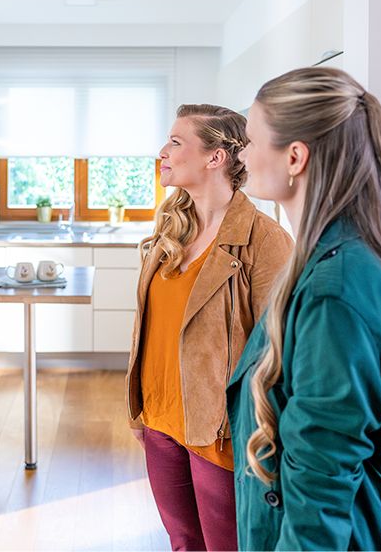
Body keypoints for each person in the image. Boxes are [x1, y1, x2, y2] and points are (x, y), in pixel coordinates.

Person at [229, 66, 381, 550]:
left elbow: (320, 485)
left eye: (251, 141)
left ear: (295, 157)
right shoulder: (343, 255)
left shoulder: (332, 292)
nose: (242, 155)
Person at [126, 104, 293, 551]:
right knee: (183, 542)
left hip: (220, 430)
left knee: (227, 546)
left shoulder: (264, 240)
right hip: (160, 418)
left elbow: (281, 349)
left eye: (176, 142)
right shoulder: (171, 232)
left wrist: (268, 440)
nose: (163, 151)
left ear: (215, 157)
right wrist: (140, 408)